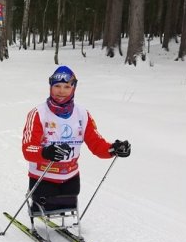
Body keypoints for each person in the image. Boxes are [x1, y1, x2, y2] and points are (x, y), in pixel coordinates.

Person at [21, 65, 130, 214]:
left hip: (71, 178)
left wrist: (113, 149)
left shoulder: (82, 114)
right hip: (44, 177)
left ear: (73, 88)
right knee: (45, 207)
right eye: (57, 86)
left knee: (67, 204)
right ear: (50, 87)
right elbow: (28, 148)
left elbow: (97, 144)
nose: (61, 91)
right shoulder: (38, 113)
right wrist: (45, 152)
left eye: (67, 86)